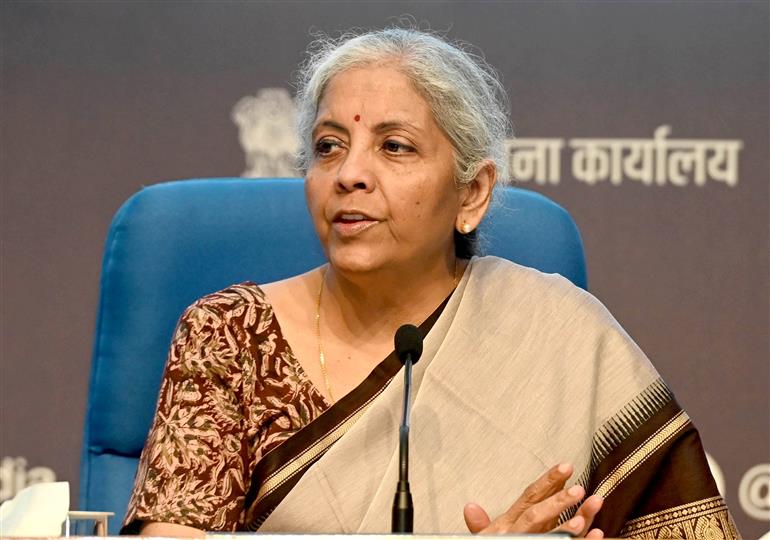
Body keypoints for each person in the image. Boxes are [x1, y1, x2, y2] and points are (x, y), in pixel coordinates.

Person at [122, 28, 738, 538]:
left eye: (394, 146)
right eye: (329, 146)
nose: (350, 174)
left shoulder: (562, 330)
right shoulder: (230, 334)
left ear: (471, 194)